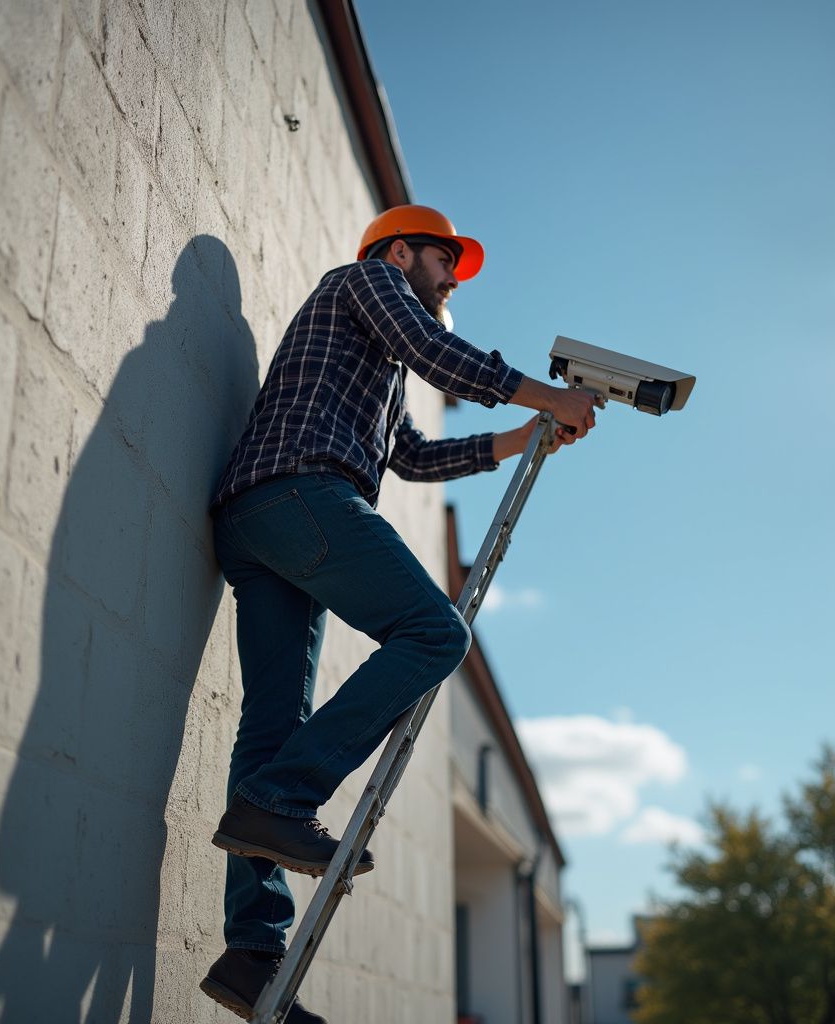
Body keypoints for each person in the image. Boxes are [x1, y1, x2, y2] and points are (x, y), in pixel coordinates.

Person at [200, 205, 597, 1021]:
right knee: (435, 632)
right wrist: (541, 394)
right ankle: (283, 800)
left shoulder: (370, 360)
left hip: (263, 519)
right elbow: (438, 353)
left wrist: (525, 435)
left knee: (272, 725)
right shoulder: (366, 281)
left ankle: (252, 956)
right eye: (444, 260)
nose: (451, 279)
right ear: (400, 251)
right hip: (300, 493)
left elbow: (410, 456)